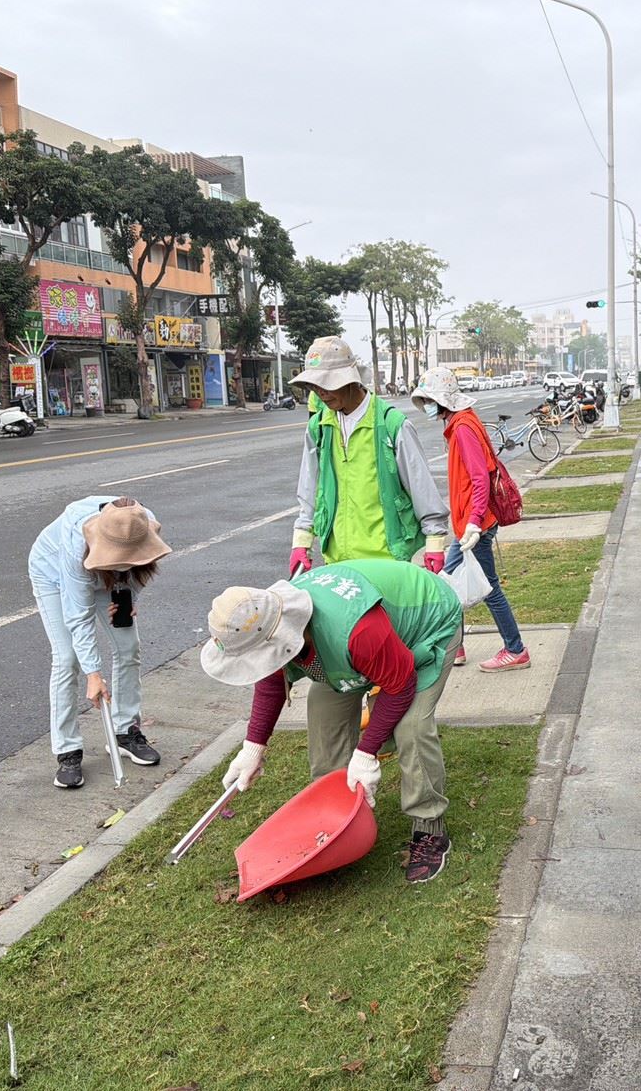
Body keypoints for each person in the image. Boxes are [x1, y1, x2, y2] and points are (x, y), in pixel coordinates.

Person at [200, 559, 464, 884]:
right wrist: (253, 748)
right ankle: (338, 822)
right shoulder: (261, 617)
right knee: (323, 712)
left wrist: (366, 755)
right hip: (354, 647)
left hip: (428, 622)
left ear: (282, 637)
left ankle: (430, 828)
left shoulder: (359, 631)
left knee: (411, 728)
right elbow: (270, 679)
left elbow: (400, 684)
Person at [28, 496, 170, 789]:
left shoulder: (141, 524)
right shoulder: (74, 543)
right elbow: (78, 617)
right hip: (54, 575)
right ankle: (67, 749)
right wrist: (94, 675)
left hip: (111, 576)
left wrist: (129, 598)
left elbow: (140, 569)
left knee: (128, 646)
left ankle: (125, 732)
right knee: (68, 658)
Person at [288, 336, 449, 576]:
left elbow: (421, 486)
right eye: (314, 385)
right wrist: (302, 539)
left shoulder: (392, 425)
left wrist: (435, 541)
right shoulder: (319, 426)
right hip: (337, 560)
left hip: (385, 560)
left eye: (328, 383)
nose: (320, 392)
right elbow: (310, 487)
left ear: (351, 380)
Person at [410, 367, 530, 672]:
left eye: (429, 400)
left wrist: (475, 522)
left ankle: (514, 649)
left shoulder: (462, 428)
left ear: (443, 400)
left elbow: (479, 478)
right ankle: (457, 646)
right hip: (471, 524)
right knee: (449, 584)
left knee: (485, 589)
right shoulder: (461, 422)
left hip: (474, 526)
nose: (427, 406)